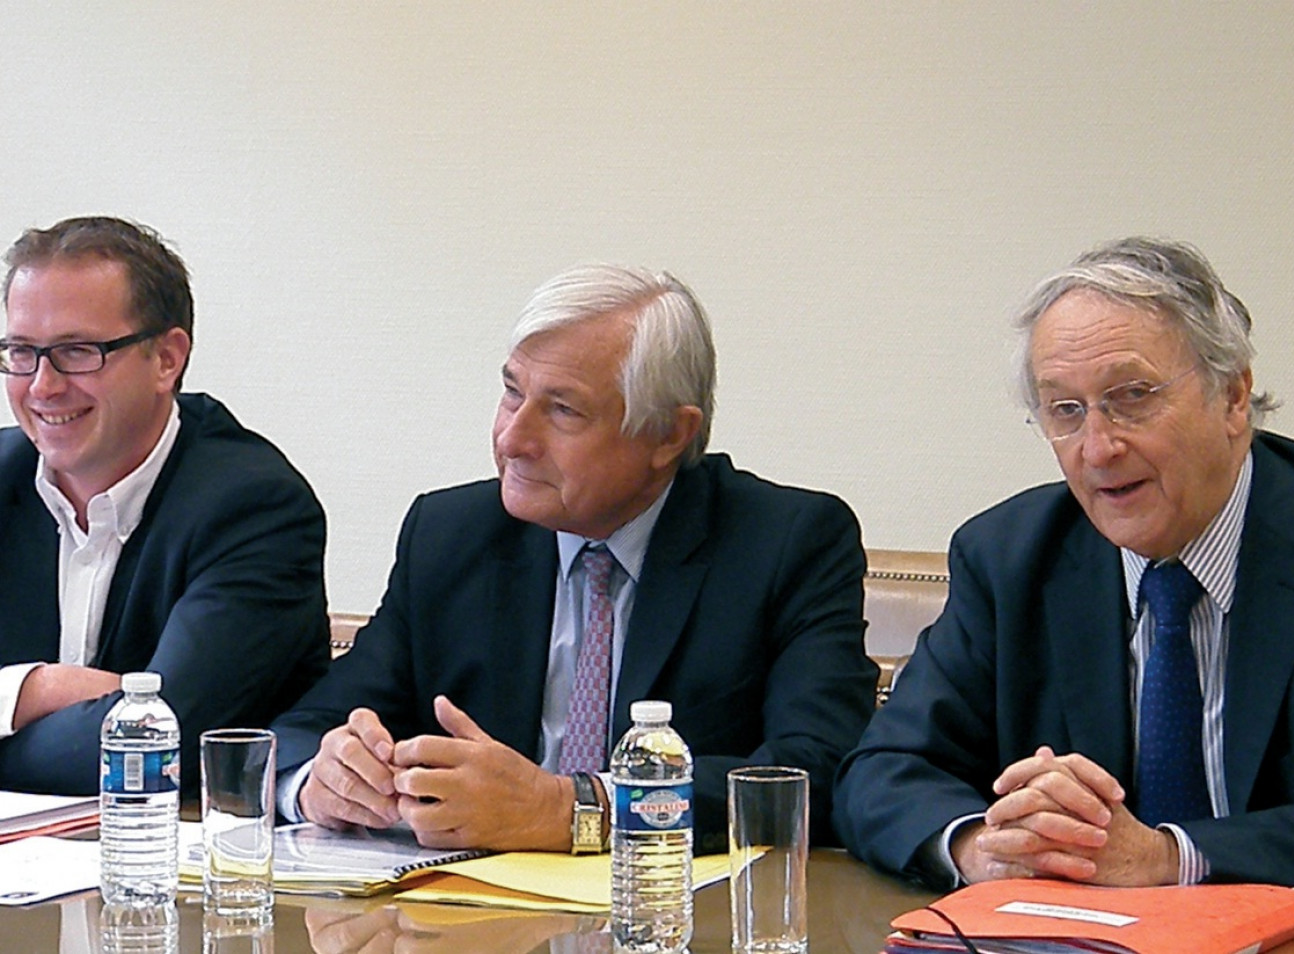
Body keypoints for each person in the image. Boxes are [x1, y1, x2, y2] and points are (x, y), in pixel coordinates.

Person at [833, 237, 1294, 915]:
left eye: (1132, 396)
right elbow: (879, 773)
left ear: (1233, 397)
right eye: (1065, 410)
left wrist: (1171, 858)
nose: (1098, 448)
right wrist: (981, 847)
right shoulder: (1008, 557)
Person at [272, 263, 875, 854]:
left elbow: (814, 772)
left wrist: (574, 809)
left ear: (669, 434)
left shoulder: (788, 543)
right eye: (512, 392)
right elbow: (308, 727)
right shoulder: (449, 535)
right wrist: (321, 783)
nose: (512, 439)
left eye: (563, 410)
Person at [0, 216, 330, 794]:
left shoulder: (255, 507)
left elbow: (158, 740)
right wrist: (39, 690)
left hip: (177, 862)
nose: (42, 386)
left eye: (77, 352)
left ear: (166, 359)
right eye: (22, 352)